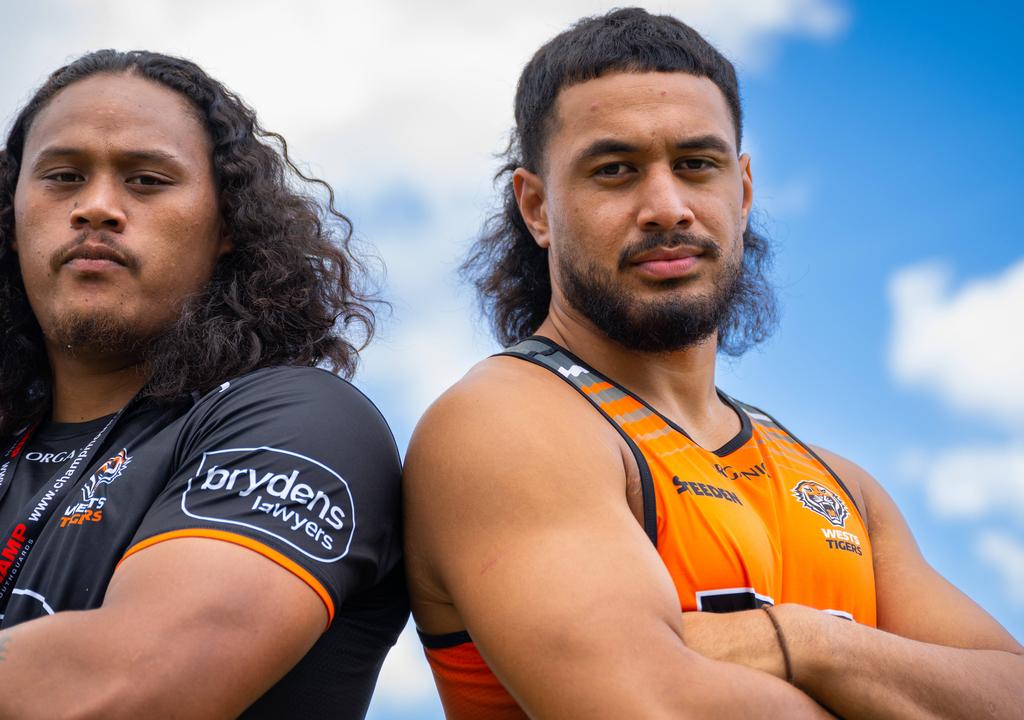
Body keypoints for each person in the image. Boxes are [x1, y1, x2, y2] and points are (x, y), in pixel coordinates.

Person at [0, 50, 406, 719]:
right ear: (11, 222)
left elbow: (131, 689)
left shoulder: (300, 423)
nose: (96, 207)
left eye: (147, 180)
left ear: (226, 227)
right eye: (62, 177)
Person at [404, 9, 1023, 719]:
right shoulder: (505, 426)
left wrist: (808, 642)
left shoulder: (844, 489)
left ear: (744, 189)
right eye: (615, 171)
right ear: (537, 208)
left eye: (697, 165)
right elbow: (657, 707)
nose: (666, 207)